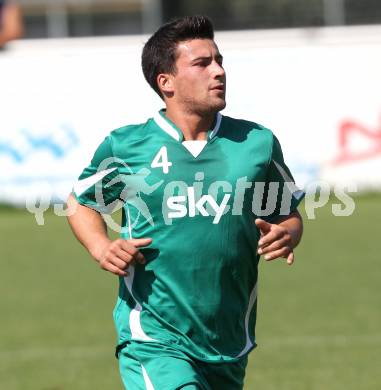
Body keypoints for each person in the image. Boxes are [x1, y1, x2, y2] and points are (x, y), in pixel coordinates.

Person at [67, 15, 304, 390]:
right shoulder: (128, 146)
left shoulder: (256, 143)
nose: (219, 71)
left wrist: (287, 233)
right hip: (153, 338)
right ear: (166, 82)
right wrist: (101, 246)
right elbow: (81, 203)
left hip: (227, 340)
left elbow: (286, 212)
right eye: (202, 63)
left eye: (219, 60)